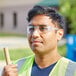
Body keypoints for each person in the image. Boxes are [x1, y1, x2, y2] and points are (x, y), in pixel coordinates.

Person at [2, 5, 76, 76]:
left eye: (43, 28)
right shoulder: (15, 68)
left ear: (59, 34)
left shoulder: (72, 70)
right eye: (31, 29)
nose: (34, 34)